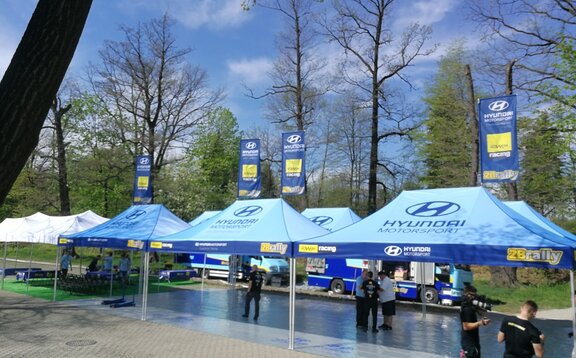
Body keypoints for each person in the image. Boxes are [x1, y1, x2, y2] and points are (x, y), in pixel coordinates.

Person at [460, 285, 491, 358]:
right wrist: (481, 323)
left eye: (475, 295)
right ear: (467, 295)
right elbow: (466, 326)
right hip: (470, 345)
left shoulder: (468, 307)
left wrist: (481, 309)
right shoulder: (467, 310)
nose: (474, 298)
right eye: (473, 295)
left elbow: (483, 314)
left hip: (470, 344)